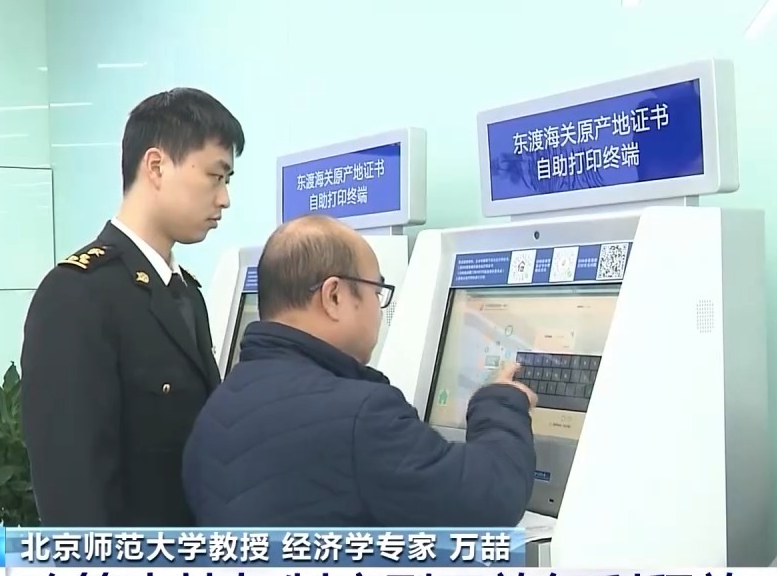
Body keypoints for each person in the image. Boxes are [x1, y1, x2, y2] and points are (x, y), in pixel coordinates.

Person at [182, 215, 538, 527]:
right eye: (376, 292)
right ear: (334, 296)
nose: (378, 310)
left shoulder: (218, 407)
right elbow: (492, 496)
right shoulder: (361, 416)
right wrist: (500, 401)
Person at [20, 88, 245, 527]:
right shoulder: (77, 295)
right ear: (156, 166)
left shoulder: (186, 293)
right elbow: (72, 493)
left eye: (227, 181)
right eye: (215, 176)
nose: (224, 198)